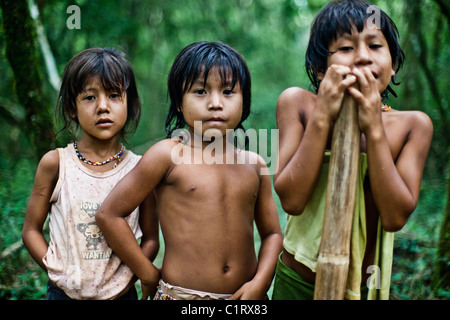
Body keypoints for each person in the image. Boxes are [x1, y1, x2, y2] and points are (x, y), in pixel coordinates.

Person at [96, 41, 283, 300]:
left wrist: (260, 284)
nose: (216, 103)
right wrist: (146, 272)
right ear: (180, 103)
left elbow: (272, 233)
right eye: (200, 91)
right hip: (182, 296)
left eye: (228, 91)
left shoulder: (255, 164)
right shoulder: (167, 155)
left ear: (244, 101)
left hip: (246, 298)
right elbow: (109, 214)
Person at [272, 0, 433, 300]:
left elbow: (395, 217)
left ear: (393, 62)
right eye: (346, 48)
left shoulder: (412, 125)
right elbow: (291, 200)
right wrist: (322, 117)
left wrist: (373, 127)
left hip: (363, 287)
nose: (361, 57)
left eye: (374, 46)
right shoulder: (298, 105)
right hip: (298, 282)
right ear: (321, 69)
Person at [22, 48, 159, 300]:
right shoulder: (56, 164)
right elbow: (31, 230)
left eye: (114, 95)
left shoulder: (141, 170)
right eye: (89, 97)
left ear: (129, 103)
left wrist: (130, 275)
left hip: (121, 295)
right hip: (63, 294)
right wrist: (57, 272)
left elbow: (151, 238)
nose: (103, 107)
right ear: (72, 108)